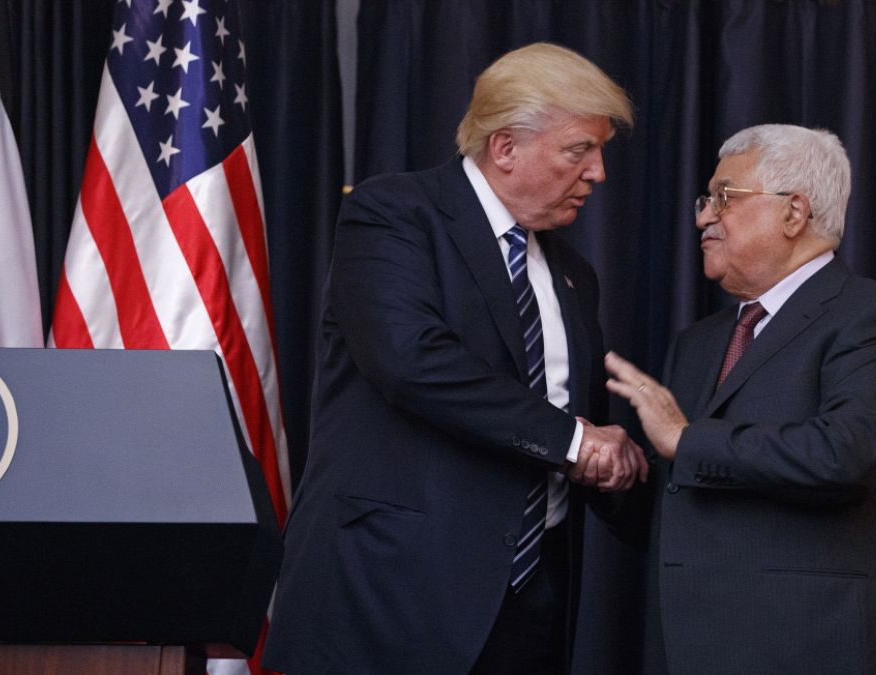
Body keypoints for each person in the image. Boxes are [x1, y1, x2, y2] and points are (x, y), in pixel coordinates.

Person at [263, 43, 648, 675]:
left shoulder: (573, 273)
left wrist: (618, 466)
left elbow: (571, 424)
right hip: (393, 592)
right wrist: (576, 442)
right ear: (506, 147)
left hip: (530, 599)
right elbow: (411, 361)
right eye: (580, 150)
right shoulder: (394, 214)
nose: (598, 173)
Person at [605, 124, 876, 674]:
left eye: (724, 197)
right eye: (705, 200)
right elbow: (682, 501)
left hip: (813, 648)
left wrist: (687, 440)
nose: (703, 217)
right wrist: (613, 475)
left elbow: (843, 456)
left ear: (794, 212)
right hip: (692, 648)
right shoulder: (697, 343)